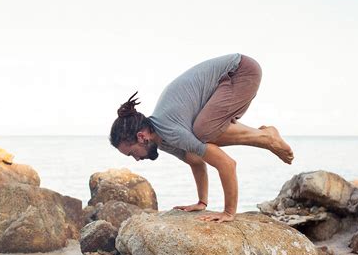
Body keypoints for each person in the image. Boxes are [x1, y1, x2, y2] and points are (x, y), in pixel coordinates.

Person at [109, 53, 294, 223]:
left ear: (141, 137)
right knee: (202, 133)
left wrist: (228, 213)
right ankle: (266, 136)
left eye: (132, 153)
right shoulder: (161, 138)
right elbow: (196, 161)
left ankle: (267, 136)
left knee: (203, 131)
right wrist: (201, 202)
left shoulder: (171, 130)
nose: (136, 159)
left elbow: (227, 164)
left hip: (240, 71)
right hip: (228, 80)